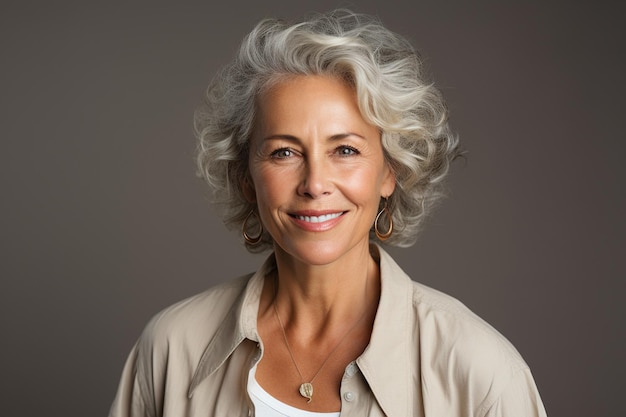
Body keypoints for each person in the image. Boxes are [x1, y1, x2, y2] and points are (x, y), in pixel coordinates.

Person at [109, 10, 547, 417]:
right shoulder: (171, 348)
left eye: (345, 150)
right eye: (283, 152)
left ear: (389, 171)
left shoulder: (479, 372)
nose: (315, 183)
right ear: (247, 177)